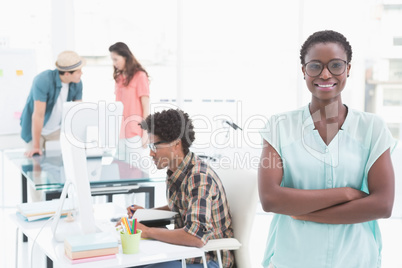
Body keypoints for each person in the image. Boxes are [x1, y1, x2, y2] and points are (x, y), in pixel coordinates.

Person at [258, 30, 397, 268]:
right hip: (292, 259)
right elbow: (270, 199)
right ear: (304, 71)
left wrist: (304, 213)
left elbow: (382, 205)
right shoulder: (280, 126)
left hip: (355, 260)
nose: (325, 74)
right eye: (315, 66)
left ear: (348, 69)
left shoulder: (372, 128)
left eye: (335, 65)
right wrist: (346, 193)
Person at [123, 109, 235, 268]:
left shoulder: (199, 178)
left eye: (154, 146)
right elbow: (182, 207)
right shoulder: (175, 171)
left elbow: (196, 236)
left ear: (176, 145)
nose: (150, 153)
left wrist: (146, 231)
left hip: (208, 259)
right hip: (186, 253)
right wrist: (146, 214)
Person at [20, 50, 85, 157]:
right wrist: (36, 147)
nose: (81, 74)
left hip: (56, 130)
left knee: (56, 164)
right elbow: (38, 115)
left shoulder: (77, 83)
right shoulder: (43, 80)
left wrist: (81, 140)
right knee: (34, 165)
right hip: (35, 130)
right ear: (67, 74)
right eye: (78, 71)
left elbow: (78, 113)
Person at [109, 42, 150, 168]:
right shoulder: (119, 77)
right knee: (120, 169)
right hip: (120, 133)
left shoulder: (140, 76)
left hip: (135, 132)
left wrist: (145, 133)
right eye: (112, 60)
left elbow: (146, 107)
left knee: (136, 170)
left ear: (125, 57)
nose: (114, 63)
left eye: (116, 59)